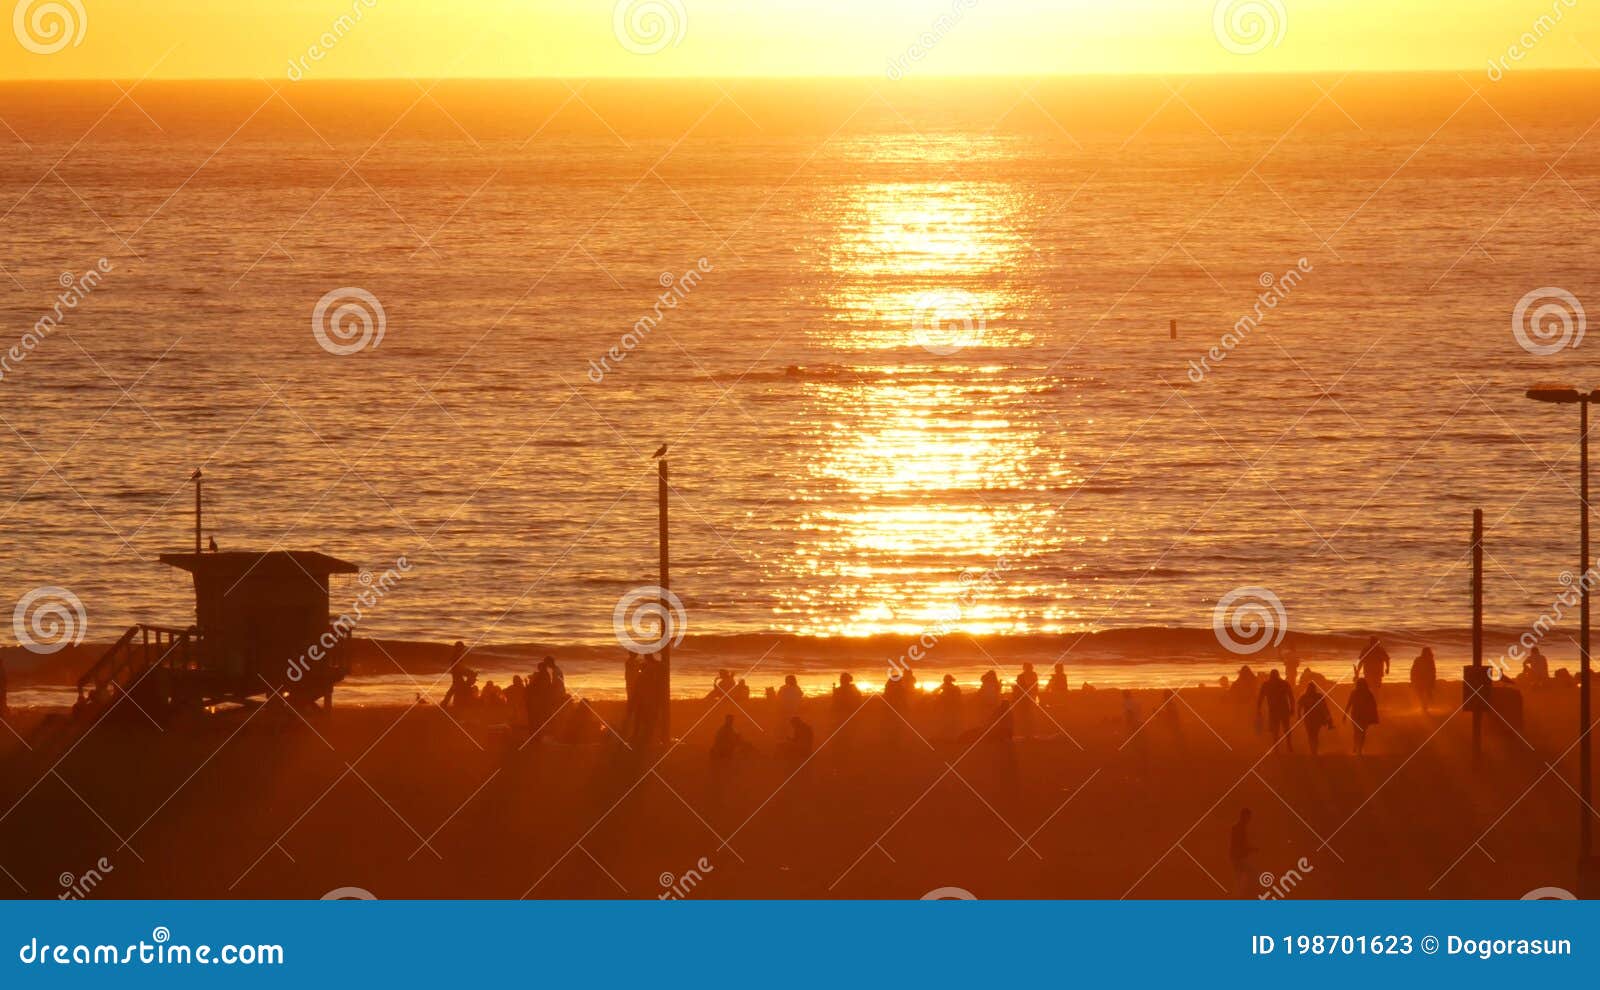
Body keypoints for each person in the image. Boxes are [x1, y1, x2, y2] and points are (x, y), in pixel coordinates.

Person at [1256, 669, 1294, 753]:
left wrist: (1258, 709)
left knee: (1279, 729)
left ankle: (1283, 747)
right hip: (1281, 709)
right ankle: (1284, 747)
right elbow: (1291, 696)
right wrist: (1292, 708)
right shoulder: (1283, 683)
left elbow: (1260, 698)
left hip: (1277, 710)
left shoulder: (1267, 684)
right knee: (1280, 729)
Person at [1297, 681, 1334, 755]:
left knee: (1313, 734)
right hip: (1310, 718)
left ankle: (1313, 750)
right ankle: (1313, 750)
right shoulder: (1306, 696)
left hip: (1315, 718)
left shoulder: (1315, 696)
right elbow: (1299, 707)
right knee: (1312, 734)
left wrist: (1299, 715)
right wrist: (1299, 715)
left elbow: (1324, 707)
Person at [1229, 808, 1256, 898]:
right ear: (1243, 816)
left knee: (1242, 878)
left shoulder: (1240, 828)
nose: (1249, 820)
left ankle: (1240, 897)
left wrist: (1251, 849)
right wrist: (1250, 850)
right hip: (1237, 858)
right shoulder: (1238, 828)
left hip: (1238, 858)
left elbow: (1241, 844)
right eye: (1248, 817)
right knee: (1242, 878)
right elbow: (1237, 844)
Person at [1349, 678, 1379, 755]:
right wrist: (1345, 714)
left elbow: (1373, 704)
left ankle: (1360, 748)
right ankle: (1356, 746)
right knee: (1357, 731)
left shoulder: (1368, 693)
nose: (1360, 686)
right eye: (1359, 684)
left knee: (1362, 732)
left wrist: (1373, 714)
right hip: (1355, 715)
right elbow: (1349, 703)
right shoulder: (1354, 693)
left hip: (1363, 715)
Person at [442, 641, 474, 709]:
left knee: (455, 687)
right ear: (459, 648)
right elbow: (459, 666)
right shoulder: (457, 655)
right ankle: (447, 704)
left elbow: (459, 666)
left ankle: (446, 703)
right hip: (457, 673)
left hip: (456, 673)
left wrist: (467, 671)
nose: (462, 649)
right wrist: (468, 672)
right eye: (461, 647)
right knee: (457, 687)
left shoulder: (455, 654)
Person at [1410, 646, 1437, 714]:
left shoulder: (1428, 660)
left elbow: (1433, 670)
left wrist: (1412, 678)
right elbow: (1413, 670)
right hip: (1422, 679)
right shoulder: (1423, 660)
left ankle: (1424, 707)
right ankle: (1424, 706)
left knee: (1424, 693)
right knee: (1422, 693)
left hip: (1424, 679)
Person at [1014, 663, 1039, 738]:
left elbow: (1019, 688)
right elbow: (1035, 686)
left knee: (1027, 714)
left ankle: (1028, 732)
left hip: (1026, 697)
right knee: (1028, 714)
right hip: (1027, 697)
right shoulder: (1031, 675)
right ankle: (1029, 732)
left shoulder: (1022, 676)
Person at [935, 674, 963, 739]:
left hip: (948, 705)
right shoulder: (951, 686)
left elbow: (936, 691)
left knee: (947, 719)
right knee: (949, 719)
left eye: (945, 680)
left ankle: (948, 734)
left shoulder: (948, 686)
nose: (945, 681)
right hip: (950, 705)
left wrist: (938, 696)